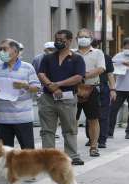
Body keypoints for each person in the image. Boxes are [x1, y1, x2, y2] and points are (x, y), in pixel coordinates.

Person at [38, 29, 85, 165]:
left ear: (69, 41)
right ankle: (48, 156)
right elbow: (41, 73)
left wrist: (58, 84)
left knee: (69, 128)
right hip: (48, 97)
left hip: (68, 98)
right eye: (56, 40)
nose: (58, 42)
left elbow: (78, 77)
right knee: (47, 129)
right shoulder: (47, 57)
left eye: (62, 40)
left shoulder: (77, 58)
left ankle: (72, 156)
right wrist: (50, 86)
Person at [0, 39, 41, 149]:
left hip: (23, 117)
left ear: (16, 52)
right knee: (5, 153)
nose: (1, 52)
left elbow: (37, 88)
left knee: (28, 151)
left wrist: (24, 86)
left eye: (4, 49)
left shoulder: (27, 67)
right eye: (0, 49)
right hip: (3, 118)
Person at [73, 29, 106, 157]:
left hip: (91, 88)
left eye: (86, 37)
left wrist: (83, 76)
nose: (83, 39)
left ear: (91, 39)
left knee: (93, 119)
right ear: (76, 39)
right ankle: (72, 148)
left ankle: (93, 146)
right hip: (73, 89)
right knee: (72, 120)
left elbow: (101, 68)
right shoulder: (71, 53)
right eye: (80, 36)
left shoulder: (98, 52)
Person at [84, 39, 116, 148]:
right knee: (91, 115)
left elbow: (110, 74)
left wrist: (112, 90)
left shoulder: (105, 57)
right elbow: (111, 75)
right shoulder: (80, 56)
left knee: (102, 114)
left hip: (101, 87)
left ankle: (101, 139)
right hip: (87, 87)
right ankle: (93, 138)